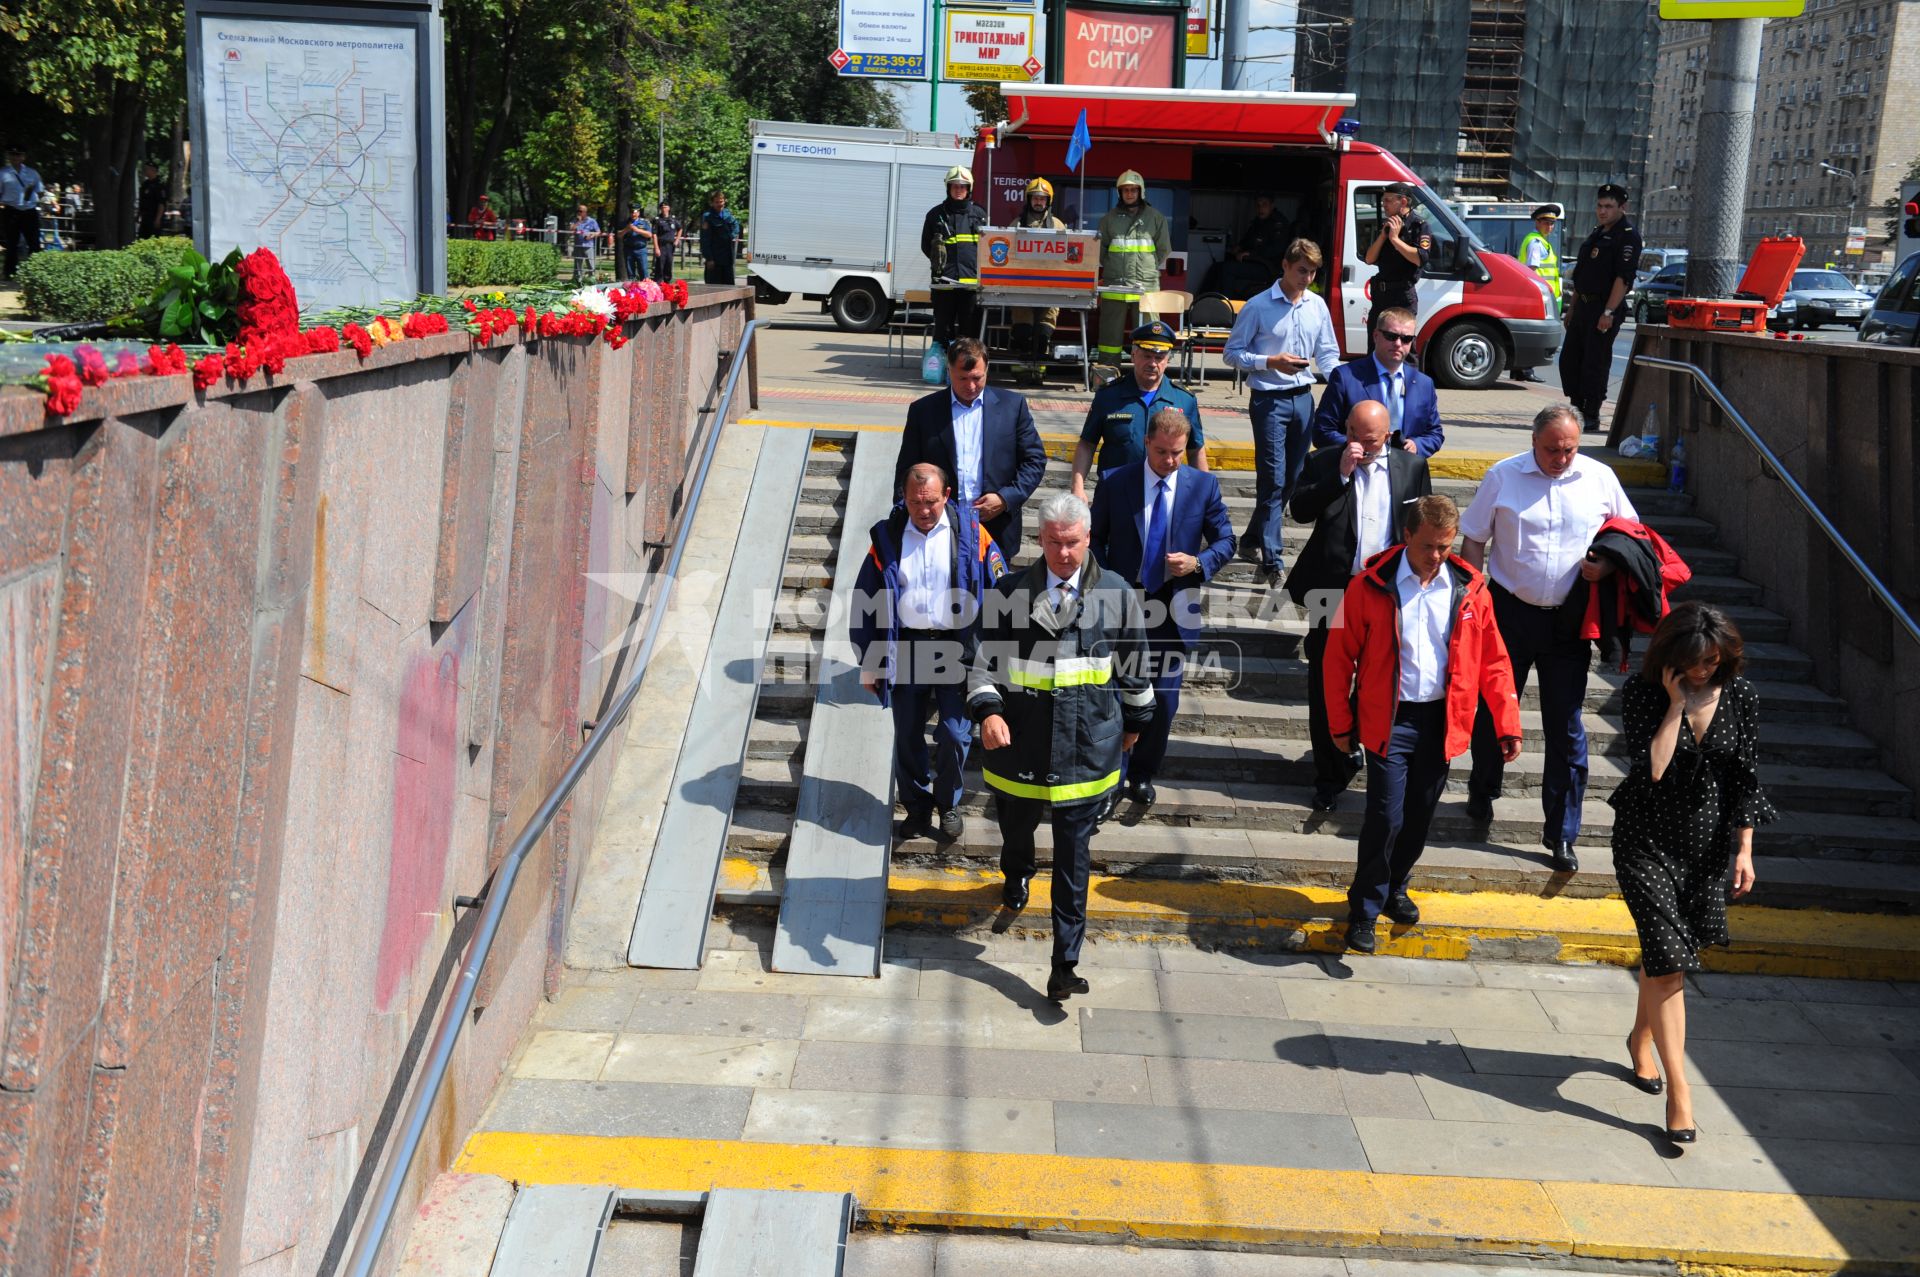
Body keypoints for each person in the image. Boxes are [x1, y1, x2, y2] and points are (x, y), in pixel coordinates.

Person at [968, 492, 1156, 1001]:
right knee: (1015, 830)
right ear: (1039, 540)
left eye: (1072, 543)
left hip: (1084, 754)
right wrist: (988, 713)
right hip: (1021, 750)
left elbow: (1135, 669)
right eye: (1054, 543)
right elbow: (981, 667)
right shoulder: (1008, 594)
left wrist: (1135, 723)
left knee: (1074, 861)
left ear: (1089, 538)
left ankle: (1064, 963)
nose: (1064, 554)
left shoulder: (1117, 595)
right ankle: (1016, 872)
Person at [1324, 495, 1522, 954]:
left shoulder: (1470, 588)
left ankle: (1396, 887)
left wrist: (1507, 723)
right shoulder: (1368, 586)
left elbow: (1494, 661)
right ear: (1407, 535)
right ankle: (1364, 910)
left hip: (1441, 719)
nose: (1437, 556)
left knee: (1418, 817)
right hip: (1388, 721)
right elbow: (1338, 660)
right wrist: (1340, 723)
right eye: (1429, 546)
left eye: (1446, 547)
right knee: (1385, 816)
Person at [1613, 603, 1774, 1147]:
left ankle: (1640, 1038)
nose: (1704, 670)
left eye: (1712, 660)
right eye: (1694, 661)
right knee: (1671, 964)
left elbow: (1745, 779)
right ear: (1671, 656)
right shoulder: (1643, 695)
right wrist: (1676, 704)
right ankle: (1681, 1096)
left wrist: (1744, 850)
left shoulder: (1743, 697)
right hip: (1646, 840)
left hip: (1704, 846)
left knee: (1664, 958)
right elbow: (1653, 768)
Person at [1461, 404, 1638, 873]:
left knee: (1567, 726)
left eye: (1570, 449)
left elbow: (1632, 536)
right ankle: (1483, 787)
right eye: (1552, 449)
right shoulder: (1503, 476)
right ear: (1533, 441)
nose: (1562, 457)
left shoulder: (1599, 478)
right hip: (1508, 614)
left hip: (1569, 621)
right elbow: (1474, 537)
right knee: (1491, 712)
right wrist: (1472, 591)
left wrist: (1609, 565)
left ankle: (1561, 833)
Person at [1287, 400, 1433, 811]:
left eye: (1369, 440)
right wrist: (1340, 475)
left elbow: (1421, 530)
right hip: (1330, 590)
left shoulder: (1410, 469)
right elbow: (1298, 510)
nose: (1360, 445)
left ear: (1387, 435)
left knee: (1375, 678)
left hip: (1382, 592)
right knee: (1324, 682)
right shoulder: (1326, 462)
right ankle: (1329, 775)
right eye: (1353, 435)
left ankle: (1352, 745)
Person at [851, 462, 1008, 843]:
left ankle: (948, 802)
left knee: (955, 734)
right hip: (907, 647)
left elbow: (1003, 593)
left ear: (947, 496)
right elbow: (864, 601)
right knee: (906, 734)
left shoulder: (974, 533)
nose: (923, 510)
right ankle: (917, 805)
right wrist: (869, 662)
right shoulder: (887, 537)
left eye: (932, 502)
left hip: (958, 647)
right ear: (904, 499)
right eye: (915, 501)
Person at [1089, 407, 1235, 813]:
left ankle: (1141, 775)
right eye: (1162, 452)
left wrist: (1198, 563)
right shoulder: (1117, 482)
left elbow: (1226, 539)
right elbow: (1095, 539)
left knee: (1164, 703)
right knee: (1116, 695)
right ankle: (1111, 778)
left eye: (1178, 453)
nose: (1170, 461)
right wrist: (1107, 582)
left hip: (1174, 609)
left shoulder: (1201, 485)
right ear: (1147, 445)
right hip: (1125, 604)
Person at [1221, 238, 1343, 583]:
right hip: (1268, 399)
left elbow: (1328, 354)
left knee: (1291, 479)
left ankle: (1250, 539)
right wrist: (1269, 361)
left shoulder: (1317, 306)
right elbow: (1232, 354)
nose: (1307, 277)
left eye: (1313, 271)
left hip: (1304, 398)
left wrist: (1346, 384)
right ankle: (1273, 561)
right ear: (1286, 267)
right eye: (1302, 270)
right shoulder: (1259, 306)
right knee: (1273, 480)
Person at [894, 338, 1048, 559]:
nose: (971, 386)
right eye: (962, 379)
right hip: (939, 527)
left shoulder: (1012, 407)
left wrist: (1005, 499)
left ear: (987, 369)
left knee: (995, 593)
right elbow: (906, 470)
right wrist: (906, 517)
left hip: (996, 528)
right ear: (949, 371)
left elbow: (1034, 460)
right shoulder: (924, 411)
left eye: (977, 378)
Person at [1071, 320, 1207, 499]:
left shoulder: (1184, 400)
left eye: (1159, 358)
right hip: (1116, 494)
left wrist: (1206, 493)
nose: (1152, 363)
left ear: (1167, 360)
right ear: (1134, 355)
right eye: (1146, 356)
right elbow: (1087, 444)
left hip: (1164, 497)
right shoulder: (1108, 396)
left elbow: (1196, 450)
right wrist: (1077, 487)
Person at [1308, 306, 1445, 457]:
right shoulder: (1346, 377)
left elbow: (1434, 434)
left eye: (1406, 339)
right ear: (1375, 336)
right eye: (1391, 336)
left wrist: (1417, 446)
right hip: (1357, 470)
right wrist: (1361, 448)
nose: (1398, 343)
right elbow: (1322, 431)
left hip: (1404, 472)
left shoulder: (1423, 383)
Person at [1559, 184, 1641, 433]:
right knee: (1570, 360)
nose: (1602, 211)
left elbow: (1623, 278)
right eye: (1599, 206)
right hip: (1582, 304)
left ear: (1622, 208)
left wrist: (1608, 312)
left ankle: (1591, 413)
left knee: (1594, 362)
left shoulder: (1627, 236)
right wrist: (1571, 309)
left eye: (1608, 206)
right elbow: (1581, 275)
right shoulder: (1596, 233)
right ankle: (1576, 407)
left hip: (1603, 308)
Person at [1094, 171, 1170, 371]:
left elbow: (1163, 249)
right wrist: (1115, 266)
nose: (1129, 194)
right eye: (1125, 190)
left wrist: (1147, 268)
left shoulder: (1155, 218)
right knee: (1109, 338)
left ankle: (1148, 375)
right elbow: (1100, 251)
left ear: (1140, 192)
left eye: (1133, 190)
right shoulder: (1109, 219)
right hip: (1115, 286)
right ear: (1120, 193)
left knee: (1149, 337)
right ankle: (1107, 377)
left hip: (1145, 287)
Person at [923, 166, 987, 347]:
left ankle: (965, 371)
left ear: (969, 189)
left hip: (971, 285)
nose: (958, 190)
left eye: (962, 186)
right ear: (948, 188)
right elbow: (925, 245)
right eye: (955, 186)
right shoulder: (936, 215)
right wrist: (941, 265)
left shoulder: (980, 215)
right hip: (944, 283)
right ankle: (943, 369)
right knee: (943, 331)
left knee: (969, 333)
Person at [1009, 178, 1067, 362]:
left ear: (1048, 201)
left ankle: (1038, 372)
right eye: (1035, 197)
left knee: (1043, 335)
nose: (1038, 202)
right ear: (1028, 199)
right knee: (1022, 334)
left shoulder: (1058, 225)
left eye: (1043, 198)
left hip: (1050, 289)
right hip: (1022, 287)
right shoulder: (1017, 224)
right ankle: (1022, 371)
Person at [1363, 182, 1430, 340]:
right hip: (1382, 296)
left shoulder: (1419, 226)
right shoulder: (1387, 225)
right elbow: (1369, 259)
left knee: (1402, 346)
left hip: (1402, 296)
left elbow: (1420, 258)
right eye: (1383, 200)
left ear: (1403, 202)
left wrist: (1394, 239)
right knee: (1375, 345)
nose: (1383, 204)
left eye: (1388, 200)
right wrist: (1383, 236)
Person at [1512, 206, 1560, 382]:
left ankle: (1520, 370)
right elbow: (1532, 270)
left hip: (1536, 294)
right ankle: (1525, 371)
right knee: (1534, 333)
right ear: (1537, 222)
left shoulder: (1540, 240)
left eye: (1552, 223)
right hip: (1537, 295)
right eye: (1546, 222)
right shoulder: (1536, 243)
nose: (1550, 226)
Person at [1, 146, 46, 281]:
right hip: (11, 210)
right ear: (9, 156)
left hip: (29, 211)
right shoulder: (2, 173)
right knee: (11, 243)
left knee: (34, 242)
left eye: (18, 154)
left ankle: (36, 272)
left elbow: (41, 191)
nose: (15, 157)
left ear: (23, 157)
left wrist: (32, 195)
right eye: (12, 154)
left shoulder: (33, 173)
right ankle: (10, 272)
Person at [1235, 193, 1290, 278]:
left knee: (1226, 270)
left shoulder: (1278, 223)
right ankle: (1210, 292)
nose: (1260, 208)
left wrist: (1251, 253)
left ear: (1271, 206)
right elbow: (1248, 240)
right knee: (1217, 267)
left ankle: (1226, 292)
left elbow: (1276, 249)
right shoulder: (1258, 222)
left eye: (1264, 204)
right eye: (1258, 205)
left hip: (1268, 267)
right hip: (1254, 262)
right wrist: (1239, 247)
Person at [701, 190, 740, 286]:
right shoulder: (707, 217)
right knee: (714, 288)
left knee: (729, 287)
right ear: (712, 203)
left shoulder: (727, 214)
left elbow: (736, 225)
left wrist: (732, 235)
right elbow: (705, 239)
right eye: (717, 202)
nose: (720, 204)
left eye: (721, 201)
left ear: (724, 201)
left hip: (727, 258)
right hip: (715, 258)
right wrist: (709, 258)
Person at [623, 205, 657, 282]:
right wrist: (626, 229)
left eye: (635, 212)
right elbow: (619, 235)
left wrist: (637, 230)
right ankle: (632, 289)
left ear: (638, 213)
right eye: (631, 212)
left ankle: (645, 289)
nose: (633, 214)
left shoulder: (644, 222)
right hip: (628, 250)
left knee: (644, 271)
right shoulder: (625, 222)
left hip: (641, 250)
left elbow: (649, 234)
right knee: (630, 272)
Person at [652, 201, 683, 282]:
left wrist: (677, 240)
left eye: (665, 207)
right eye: (662, 207)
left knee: (668, 264)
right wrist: (656, 248)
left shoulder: (673, 219)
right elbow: (654, 234)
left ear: (669, 208)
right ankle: (658, 282)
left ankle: (667, 283)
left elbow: (680, 229)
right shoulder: (657, 220)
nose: (664, 209)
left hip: (670, 246)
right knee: (660, 265)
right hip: (661, 245)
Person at [570, 203, 601, 283]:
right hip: (578, 245)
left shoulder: (592, 221)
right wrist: (578, 222)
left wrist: (592, 235)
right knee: (578, 264)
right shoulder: (575, 220)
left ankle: (592, 280)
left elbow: (598, 232)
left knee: (590, 264)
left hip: (588, 245)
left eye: (580, 211)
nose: (578, 213)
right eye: (578, 211)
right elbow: (571, 230)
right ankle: (578, 280)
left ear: (585, 212)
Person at [138, 161, 167, 238]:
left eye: (147, 169)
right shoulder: (145, 184)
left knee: (153, 238)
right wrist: (139, 215)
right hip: (145, 217)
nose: (145, 171)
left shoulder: (159, 185)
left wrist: (158, 219)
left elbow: (161, 204)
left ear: (153, 170)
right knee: (142, 238)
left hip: (154, 217)